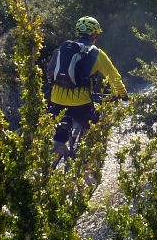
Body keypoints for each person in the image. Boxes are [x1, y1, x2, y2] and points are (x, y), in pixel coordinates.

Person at [47, 15, 128, 166]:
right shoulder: (96, 53)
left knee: (60, 129)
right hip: (81, 103)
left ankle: (58, 147)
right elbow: (114, 77)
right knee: (97, 124)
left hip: (56, 100)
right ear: (95, 35)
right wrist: (124, 96)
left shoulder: (62, 49)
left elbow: (50, 73)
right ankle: (88, 163)